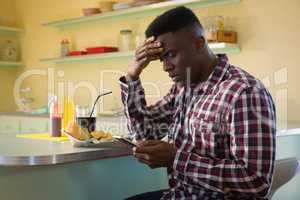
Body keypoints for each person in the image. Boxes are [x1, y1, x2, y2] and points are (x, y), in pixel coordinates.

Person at [119, 6, 276, 200]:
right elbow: (145, 133)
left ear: (199, 43)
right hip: (181, 195)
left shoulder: (244, 92)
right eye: (161, 59)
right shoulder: (184, 88)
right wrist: (132, 75)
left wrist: (176, 159)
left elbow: (256, 183)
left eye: (171, 54)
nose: (166, 67)